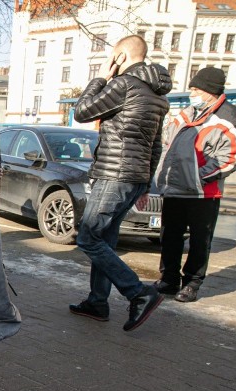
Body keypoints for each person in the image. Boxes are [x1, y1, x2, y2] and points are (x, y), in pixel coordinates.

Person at [71, 35, 172, 331]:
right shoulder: (158, 96)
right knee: (105, 241)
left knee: (89, 237)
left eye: (113, 57)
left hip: (115, 174)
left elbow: (82, 111)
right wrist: (146, 183)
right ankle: (97, 302)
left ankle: (138, 293)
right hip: (135, 177)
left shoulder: (124, 85)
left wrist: (102, 76)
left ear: (120, 56)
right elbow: (155, 145)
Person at [154, 67, 236, 303]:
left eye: (195, 89)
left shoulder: (228, 116)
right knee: (170, 236)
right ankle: (168, 279)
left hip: (203, 193)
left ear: (209, 91)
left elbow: (231, 156)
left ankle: (192, 283)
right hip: (174, 189)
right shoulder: (187, 113)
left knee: (199, 240)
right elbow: (168, 146)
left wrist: (198, 176)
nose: (191, 92)